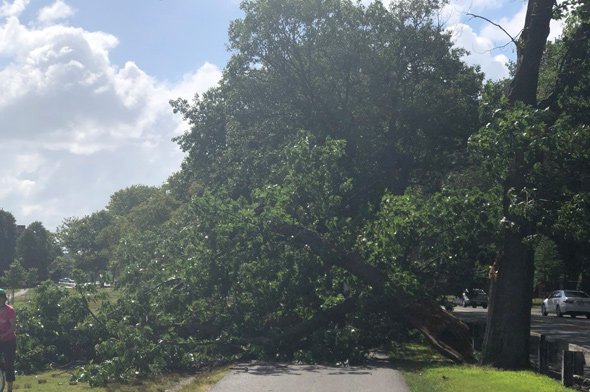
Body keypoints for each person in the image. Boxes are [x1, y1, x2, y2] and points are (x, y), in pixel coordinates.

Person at [0, 288, 16, 392]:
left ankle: (9, 389)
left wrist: (3, 335)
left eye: (1, 297)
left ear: (4, 298)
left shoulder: (10, 310)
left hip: (9, 340)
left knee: (9, 363)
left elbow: (13, 327)